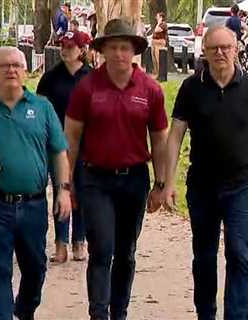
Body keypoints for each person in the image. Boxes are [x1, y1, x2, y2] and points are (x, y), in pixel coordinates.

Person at [0, 47, 71, 320]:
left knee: (35, 268)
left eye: (17, 65)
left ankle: (24, 310)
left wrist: (63, 191)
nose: (11, 70)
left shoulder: (42, 107)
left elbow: (59, 152)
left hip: (33, 203)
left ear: (25, 70)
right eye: (5, 66)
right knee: (0, 267)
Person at [64, 18, 168, 320]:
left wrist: (161, 183)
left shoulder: (150, 89)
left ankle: (119, 312)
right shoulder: (87, 88)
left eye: (125, 48)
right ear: (103, 50)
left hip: (134, 179)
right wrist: (66, 183)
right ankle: (98, 312)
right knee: (102, 248)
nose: (120, 54)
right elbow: (71, 136)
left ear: (134, 51)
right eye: (113, 47)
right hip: (95, 178)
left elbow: (159, 138)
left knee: (126, 252)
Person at [164, 26, 248, 320]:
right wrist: (167, 181)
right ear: (205, 53)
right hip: (202, 187)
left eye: (226, 47)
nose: (220, 53)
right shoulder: (191, 88)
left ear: (236, 49)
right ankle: (206, 313)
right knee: (204, 257)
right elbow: (175, 135)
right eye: (214, 49)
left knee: (240, 253)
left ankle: (237, 314)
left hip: (241, 186)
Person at [36, 30, 91, 263]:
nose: (65, 49)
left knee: (83, 191)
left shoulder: (93, 78)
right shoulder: (50, 78)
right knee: (62, 189)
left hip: (87, 145)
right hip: (57, 145)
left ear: (82, 50)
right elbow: (38, 111)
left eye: (70, 46)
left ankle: (80, 239)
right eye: (63, 45)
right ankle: (61, 243)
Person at [151, 12, 168, 78]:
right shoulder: (158, 24)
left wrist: (158, 23)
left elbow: (157, 30)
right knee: (154, 59)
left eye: (157, 16)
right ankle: (156, 73)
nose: (156, 17)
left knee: (158, 59)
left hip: (159, 43)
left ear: (161, 17)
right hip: (155, 43)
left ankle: (160, 74)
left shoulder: (163, 24)